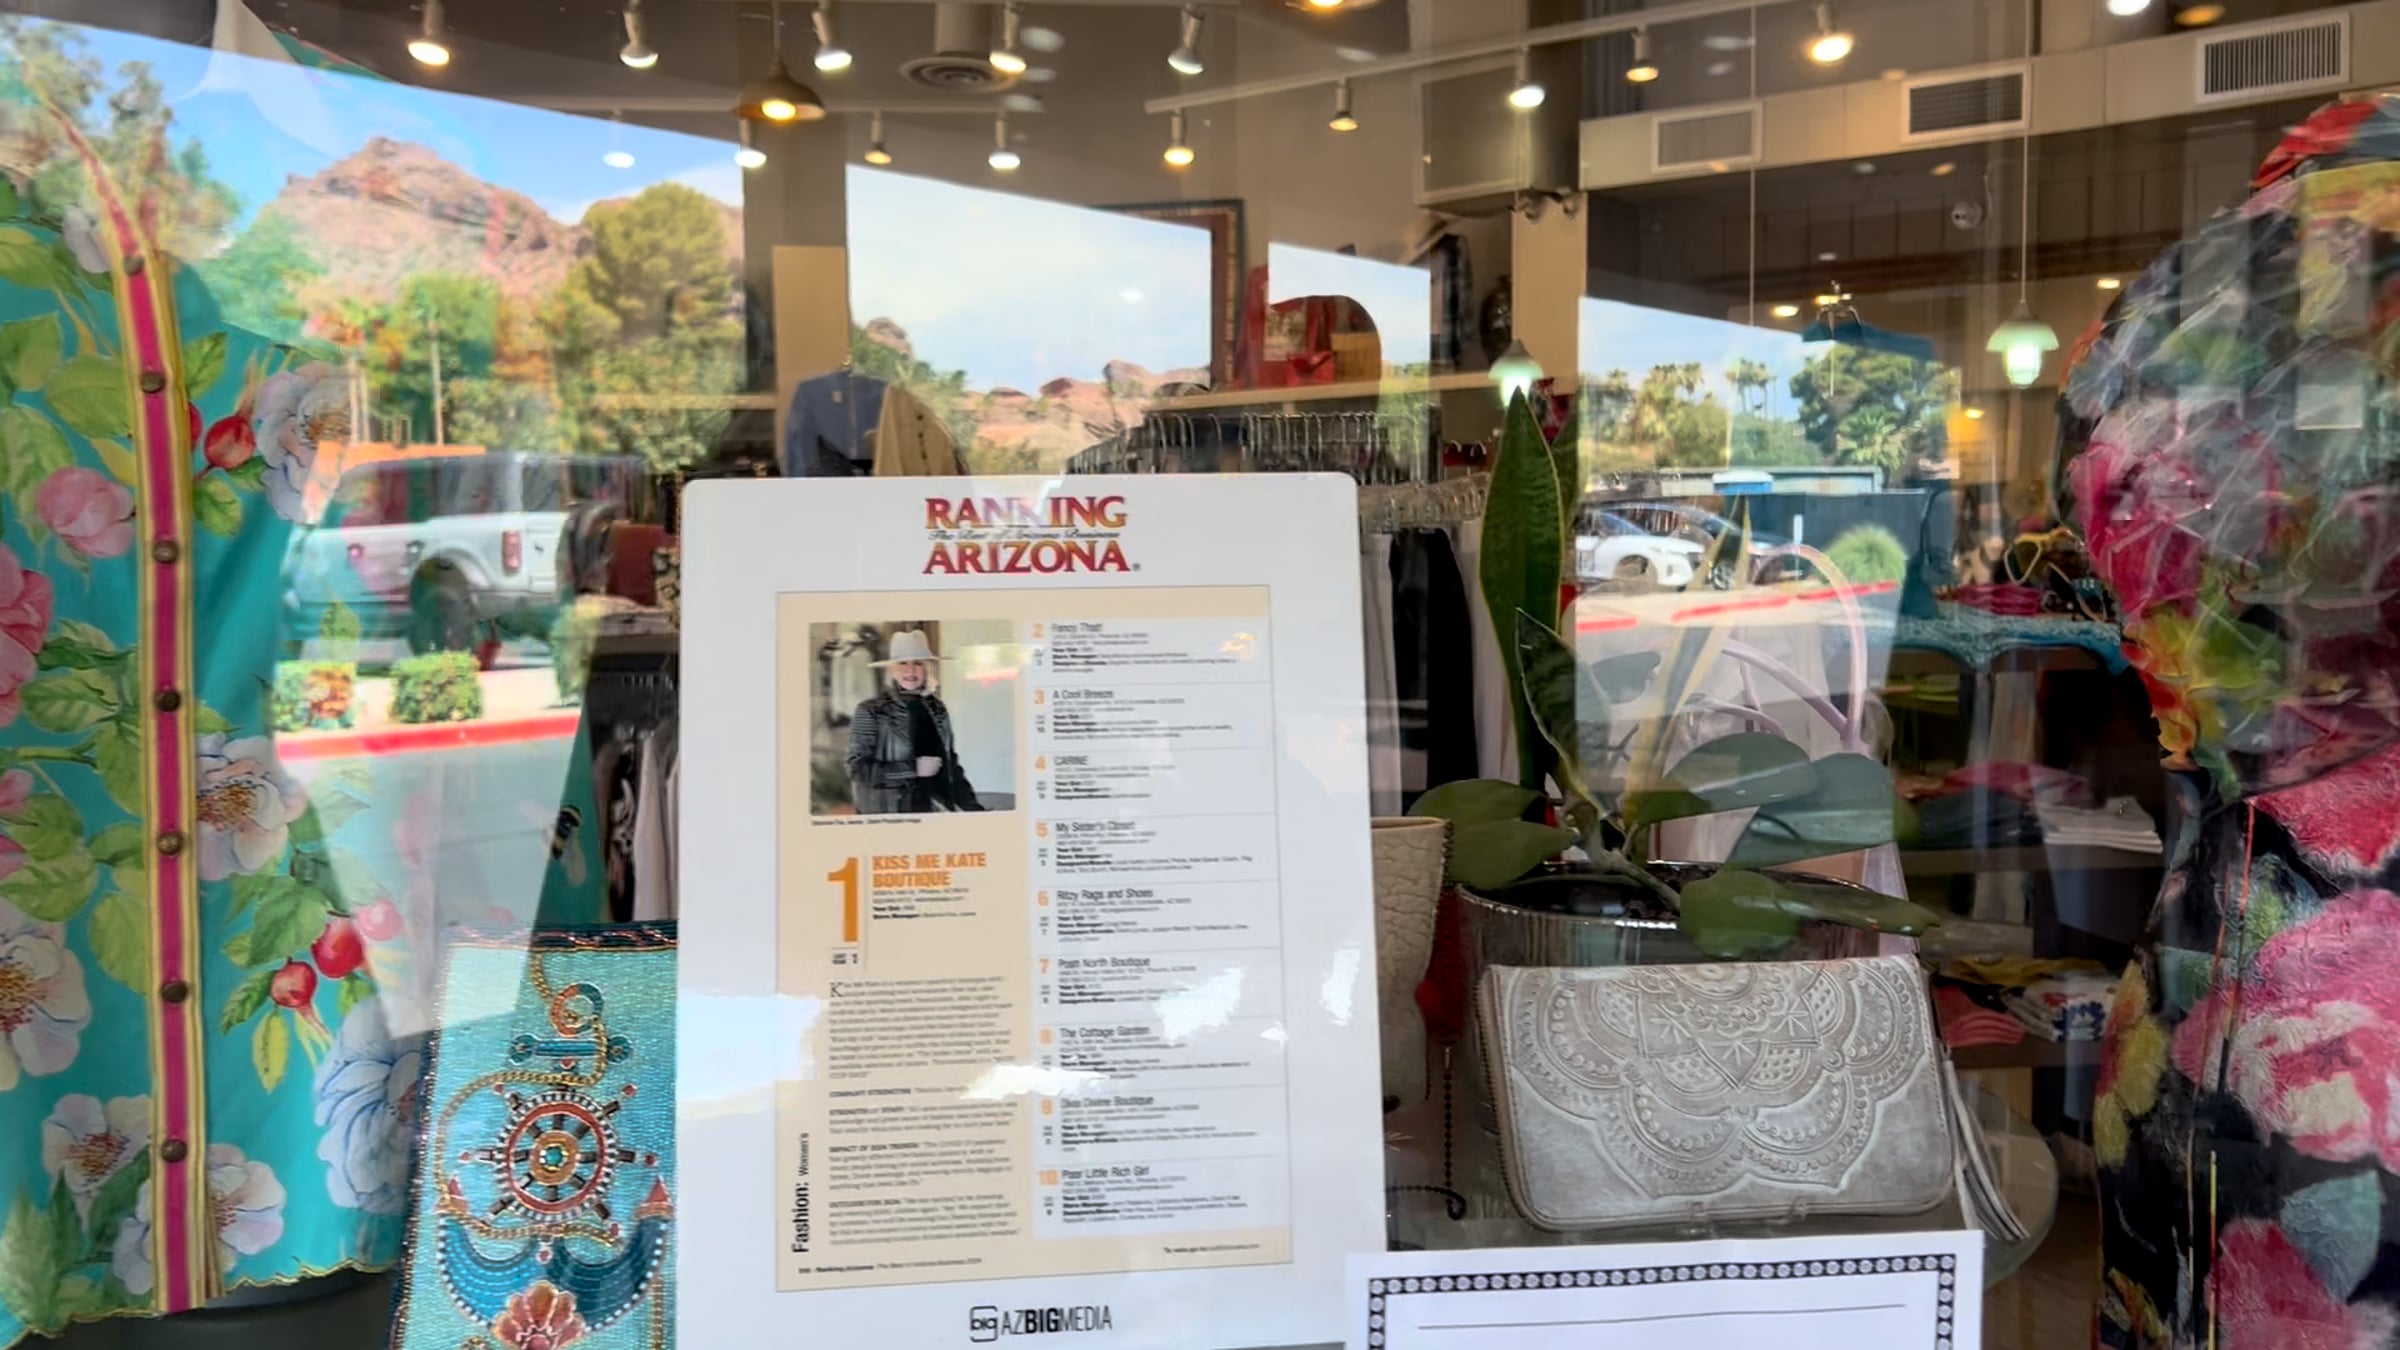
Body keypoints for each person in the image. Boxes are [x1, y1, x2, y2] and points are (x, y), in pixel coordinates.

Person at [845, 630, 985, 814]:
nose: (910, 670)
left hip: (934, 811)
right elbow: (856, 769)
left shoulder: (937, 708)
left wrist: (973, 809)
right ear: (892, 669)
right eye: (903, 663)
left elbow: (951, 767)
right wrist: (912, 769)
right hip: (890, 816)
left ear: (927, 668)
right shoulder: (871, 710)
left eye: (918, 663)